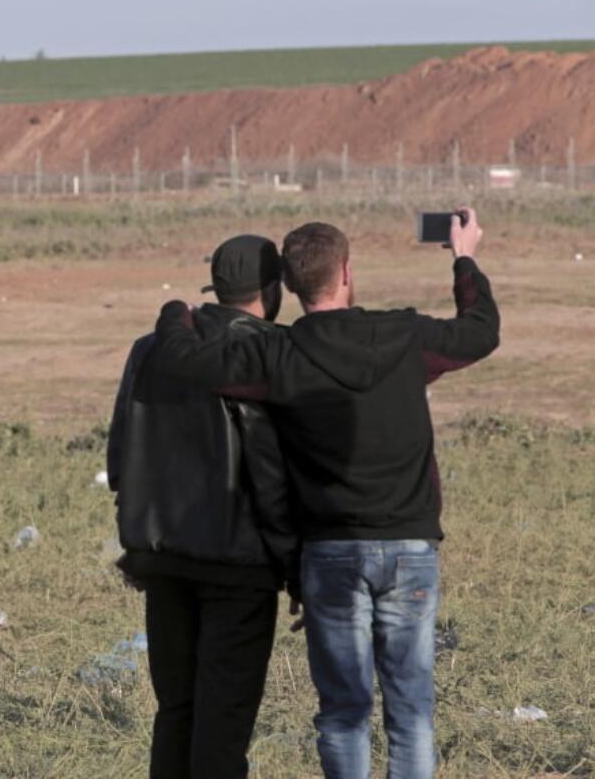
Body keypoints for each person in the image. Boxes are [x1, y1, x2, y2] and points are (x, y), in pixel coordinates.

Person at [149, 209, 499, 778]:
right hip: (410, 546)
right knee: (411, 710)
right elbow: (481, 330)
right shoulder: (404, 336)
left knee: (343, 710)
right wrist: (464, 257)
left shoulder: (278, 354)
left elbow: (182, 361)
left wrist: (175, 313)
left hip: (330, 552)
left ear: (289, 285)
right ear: (347, 273)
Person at [107, 235, 300, 779]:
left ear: (215, 289)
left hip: (162, 556)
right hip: (237, 564)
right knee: (223, 722)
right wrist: (293, 561)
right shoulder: (266, 349)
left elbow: (121, 453)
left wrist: (138, 538)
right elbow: (268, 468)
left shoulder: (150, 348)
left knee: (177, 711)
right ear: (272, 289)